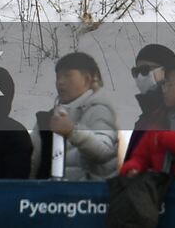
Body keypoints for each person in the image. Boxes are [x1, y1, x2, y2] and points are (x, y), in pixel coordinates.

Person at [34, 52, 119, 180]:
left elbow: (105, 152)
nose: (60, 82)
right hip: (52, 197)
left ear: (87, 79)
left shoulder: (99, 110)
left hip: (90, 197)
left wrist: (72, 131)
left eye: (67, 75)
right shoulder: (48, 118)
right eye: (58, 77)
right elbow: (33, 162)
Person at [126, 43, 175, 159]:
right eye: (136, 71)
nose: (140, 76)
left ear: (167, 72)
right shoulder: (146, 117)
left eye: (145, 70)